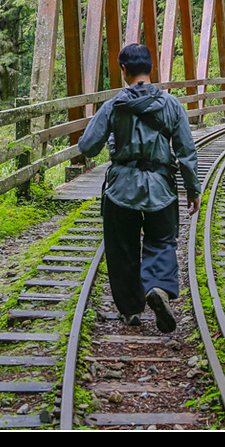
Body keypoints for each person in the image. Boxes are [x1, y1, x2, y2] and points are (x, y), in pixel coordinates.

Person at [77, 43, 202, 333]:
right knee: (162, 243)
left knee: (122, 250)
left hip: (121, 188)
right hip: (161, 188)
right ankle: (158, 288)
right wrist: (192, 190)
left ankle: (131, 311)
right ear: (151, 67)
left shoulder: (113, 105)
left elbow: (87, 147)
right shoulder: (171, 105)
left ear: (124, 69)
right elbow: (186, 152)